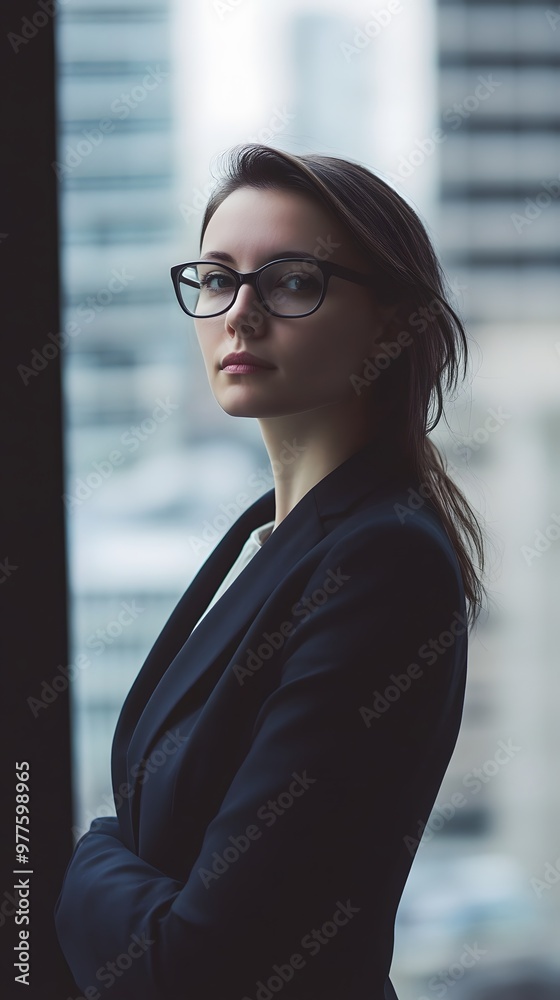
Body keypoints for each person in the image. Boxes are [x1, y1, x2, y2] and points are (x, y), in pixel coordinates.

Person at [54, 143, 487, 1000]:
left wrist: (85, 863)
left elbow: (198, 967)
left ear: (394, 324)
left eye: (291, 282)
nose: (238, 316)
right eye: (216, 278)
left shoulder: (381, 561)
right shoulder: (276, 536)